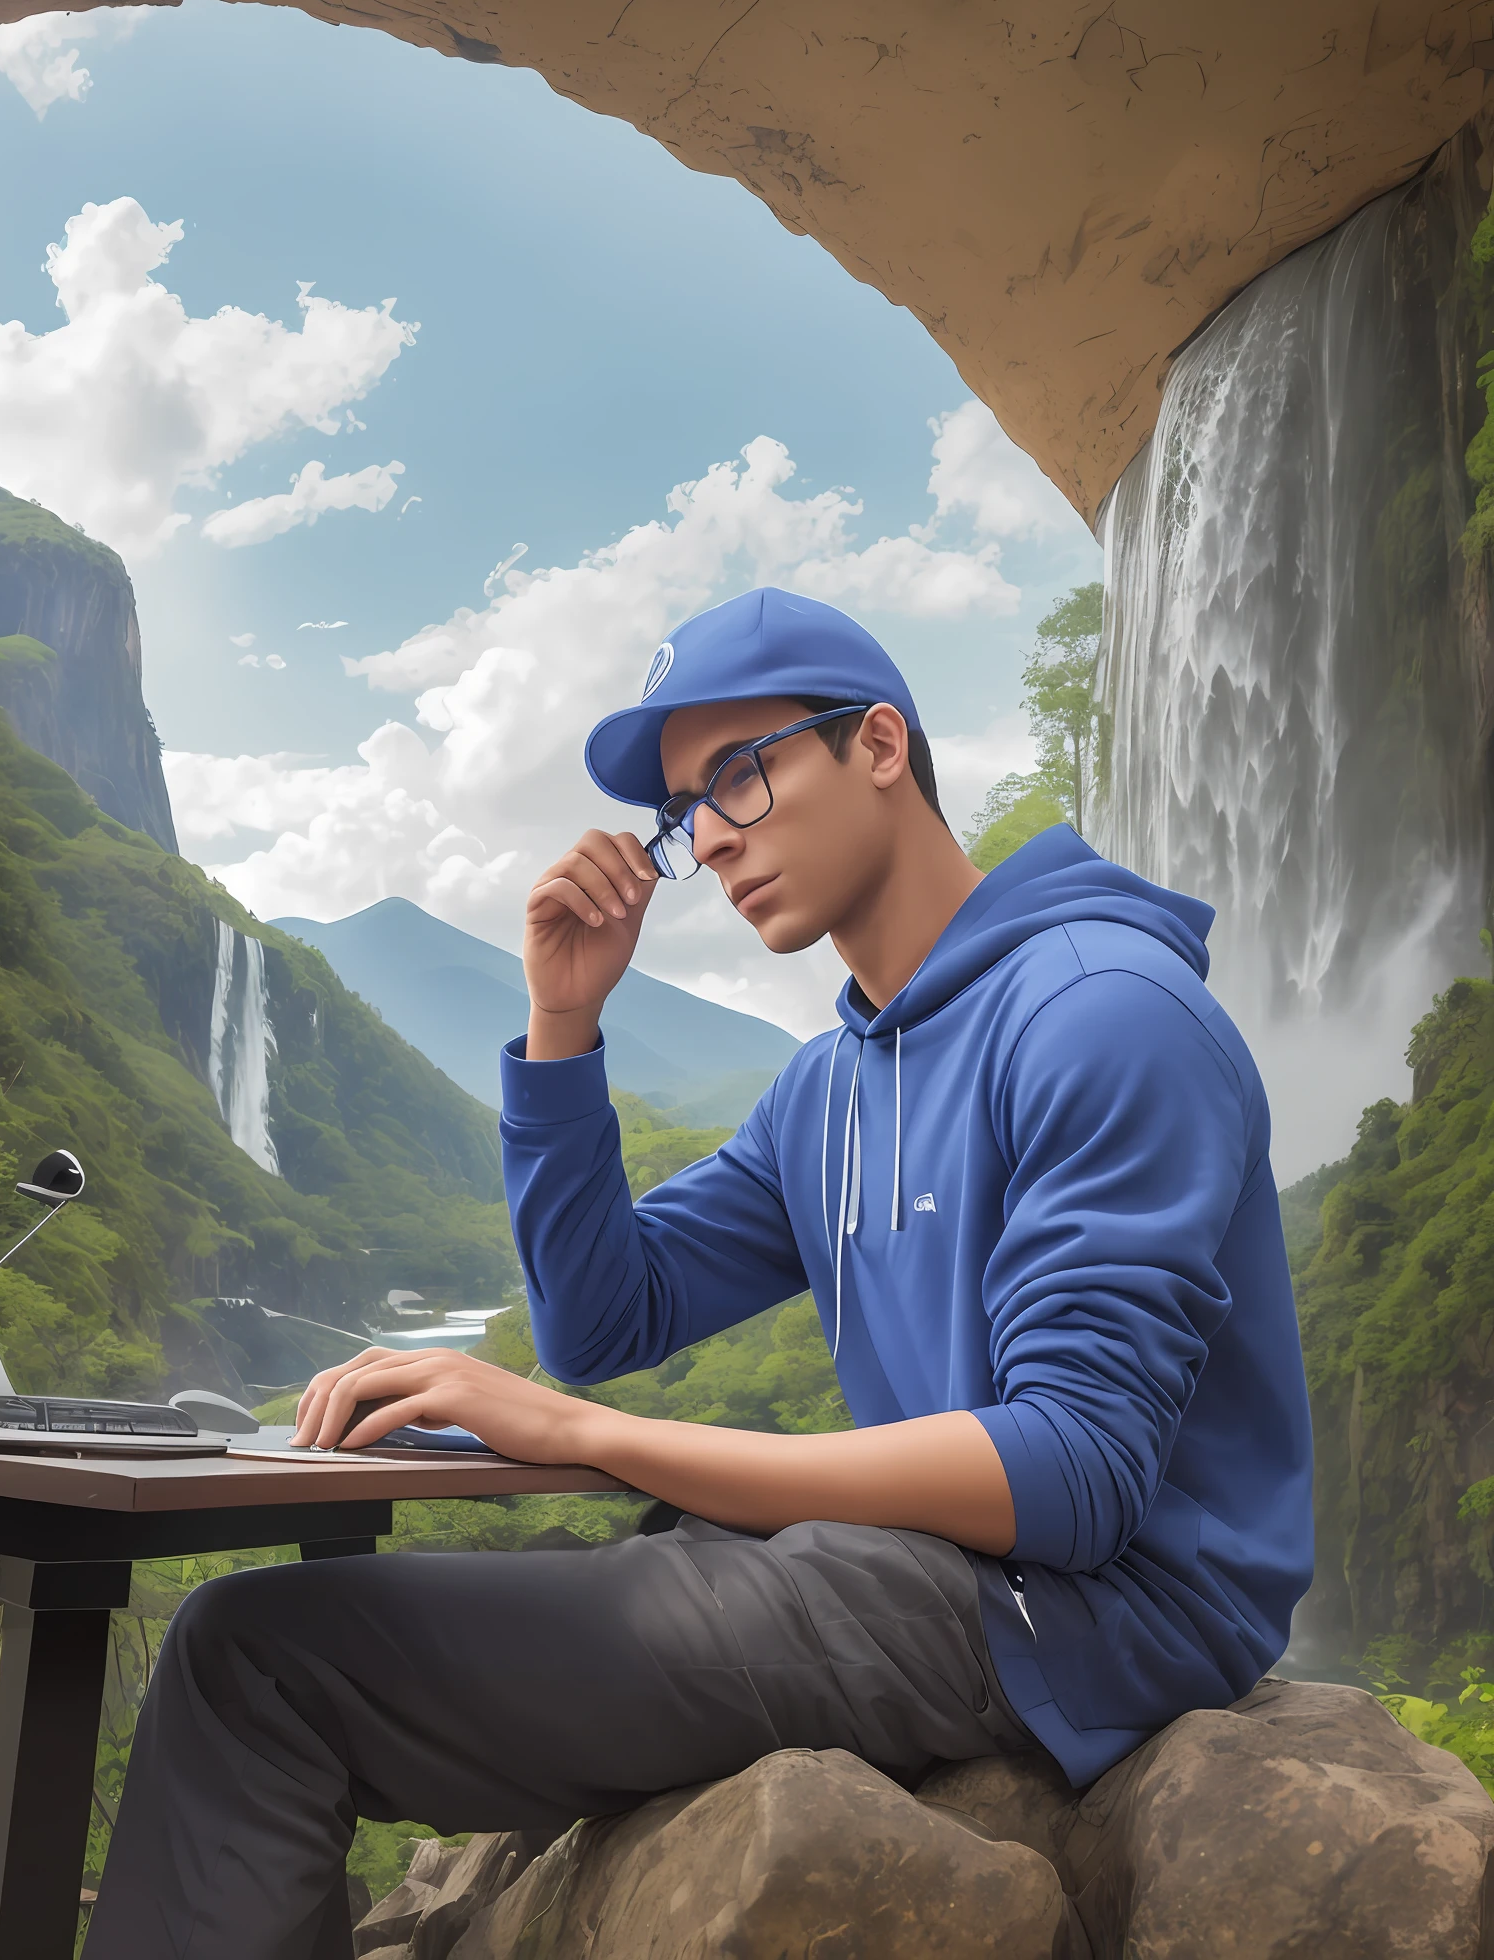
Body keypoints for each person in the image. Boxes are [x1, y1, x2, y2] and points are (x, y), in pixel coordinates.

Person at [84, 586, 1314, 1959]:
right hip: (942, 1571)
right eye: (687, 813)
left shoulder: (1102, 1013)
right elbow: (604, 1318)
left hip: (1084, 1615)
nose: (712, 839)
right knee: (277, 1634)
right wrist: (563, 1021)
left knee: (258, 1660)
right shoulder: (835, 1085)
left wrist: (590, 1440)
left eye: (742, 775)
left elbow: (1075, 1477)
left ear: (883, 747)